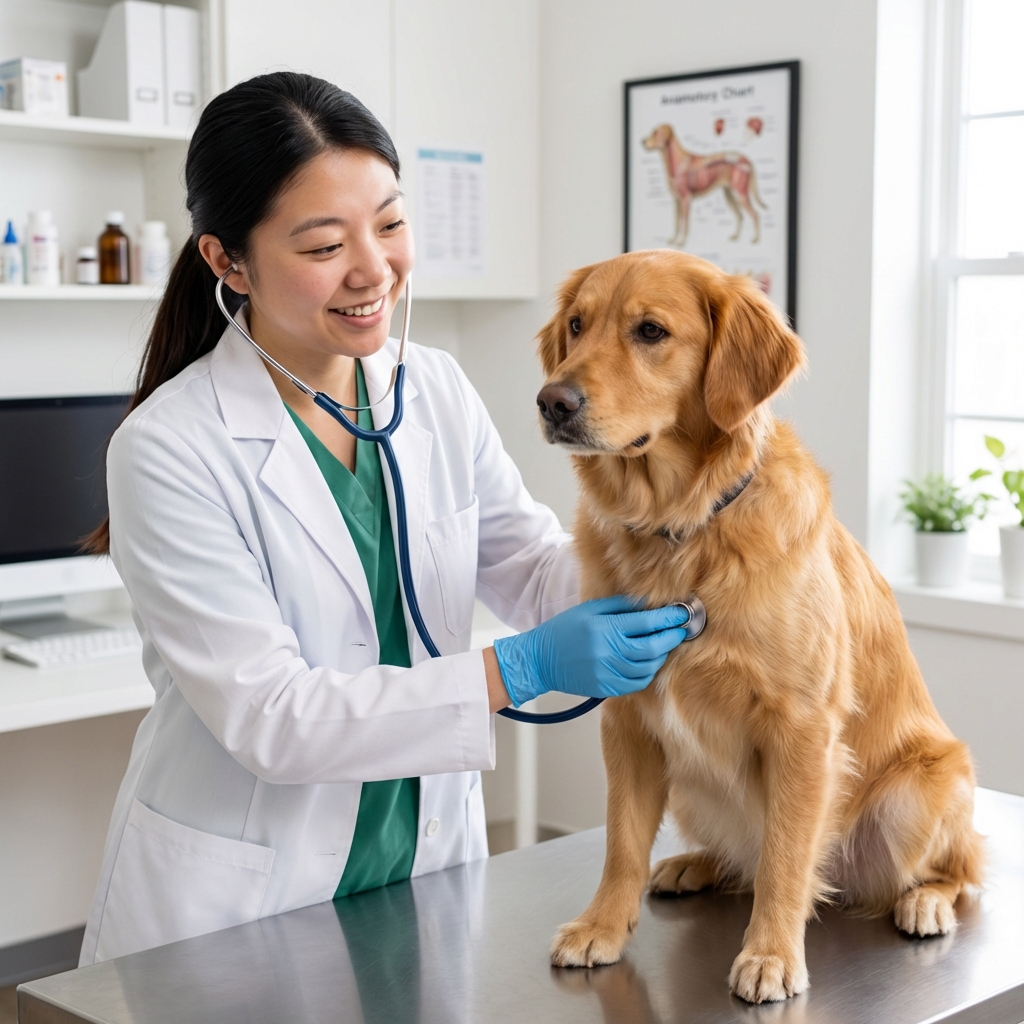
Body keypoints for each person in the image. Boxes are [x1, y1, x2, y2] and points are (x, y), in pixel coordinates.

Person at [79, 72, 689, 965]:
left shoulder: (430, 387)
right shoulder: (167, 448)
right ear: (227, 262)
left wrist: (689, 557)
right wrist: (519, 669)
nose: (375, 270)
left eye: (392, 224)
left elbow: (525, 565)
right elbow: (275, 718)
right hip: (237, 905)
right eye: (325, 245)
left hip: (421, 873)